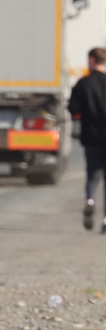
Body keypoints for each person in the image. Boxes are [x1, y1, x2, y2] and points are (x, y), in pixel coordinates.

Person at [68, 47, 106, 233]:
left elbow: (73, 109)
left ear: (91, 60)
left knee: (92, 174)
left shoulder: (83, 83)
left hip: (91, 137)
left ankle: (90, 200)